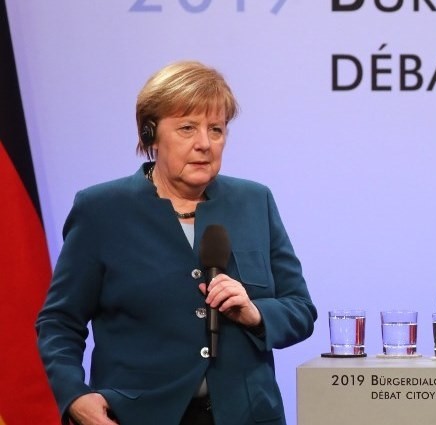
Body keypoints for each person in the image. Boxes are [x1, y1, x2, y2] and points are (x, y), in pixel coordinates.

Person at [36, 61, 317, 425]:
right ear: (150, 134)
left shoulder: (254, 201)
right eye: (187, 128)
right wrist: (75, 396)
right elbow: (60, 321)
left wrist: (255, 313)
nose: (204, 144)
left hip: (247, 415)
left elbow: (300, 309)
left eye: (216, 129)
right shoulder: (101, 210)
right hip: (138, 415)